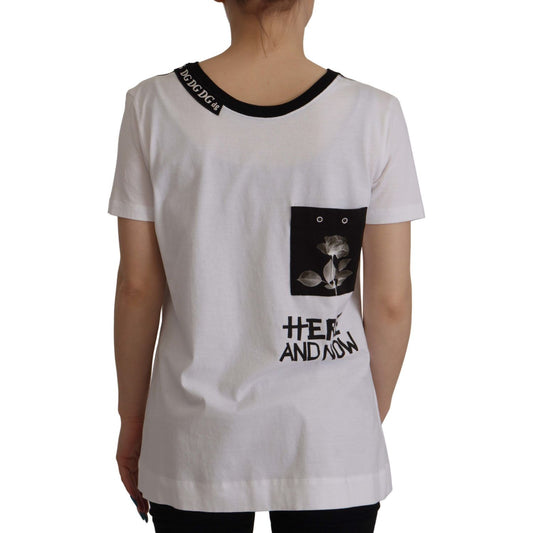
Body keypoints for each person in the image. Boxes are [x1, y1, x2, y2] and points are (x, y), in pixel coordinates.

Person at [108, 0, 425, 531]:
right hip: (330, 432)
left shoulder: (152, 106)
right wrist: (362, 417)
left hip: (192, 437)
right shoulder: (375, 115)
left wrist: (133, 419)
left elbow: (138, 287)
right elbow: (390, 303)